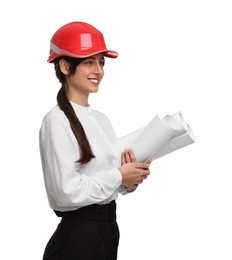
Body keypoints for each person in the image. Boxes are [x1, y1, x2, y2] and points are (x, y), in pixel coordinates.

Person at [39, 21, 151, 260]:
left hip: (108, 229)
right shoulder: (56, 121)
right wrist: (119, 175)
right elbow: (65, 192)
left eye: (101, 62)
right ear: (65, 66)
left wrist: (129, 180)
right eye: (89, 62)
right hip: (79, 236)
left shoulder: (101, 119)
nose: (99, 70)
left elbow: (105, 182)